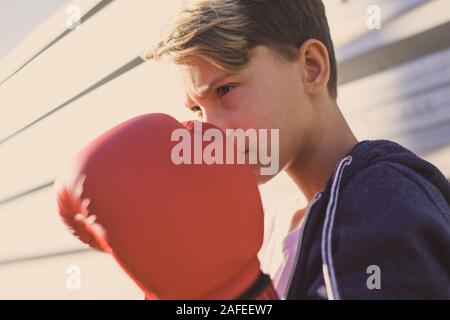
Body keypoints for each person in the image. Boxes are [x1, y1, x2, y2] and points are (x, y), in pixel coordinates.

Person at [142, 0, 450, 299]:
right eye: (196, 109)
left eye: (225, 89)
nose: (208, 132)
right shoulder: (273, 227)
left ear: (311, 68)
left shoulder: (381, 199)